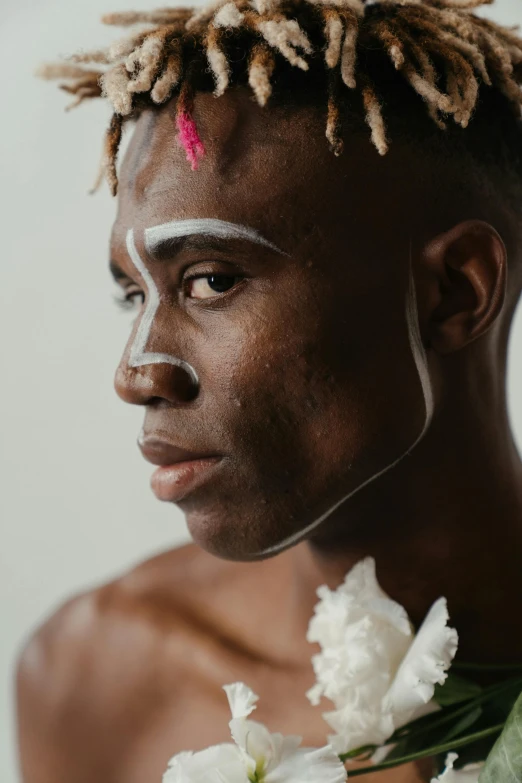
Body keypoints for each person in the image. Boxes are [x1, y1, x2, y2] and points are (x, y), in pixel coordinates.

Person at [17, 0, 522, 780]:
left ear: (454, 293)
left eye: (212, 279)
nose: (135, 371)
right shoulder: (94, 681)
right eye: (132, 294)